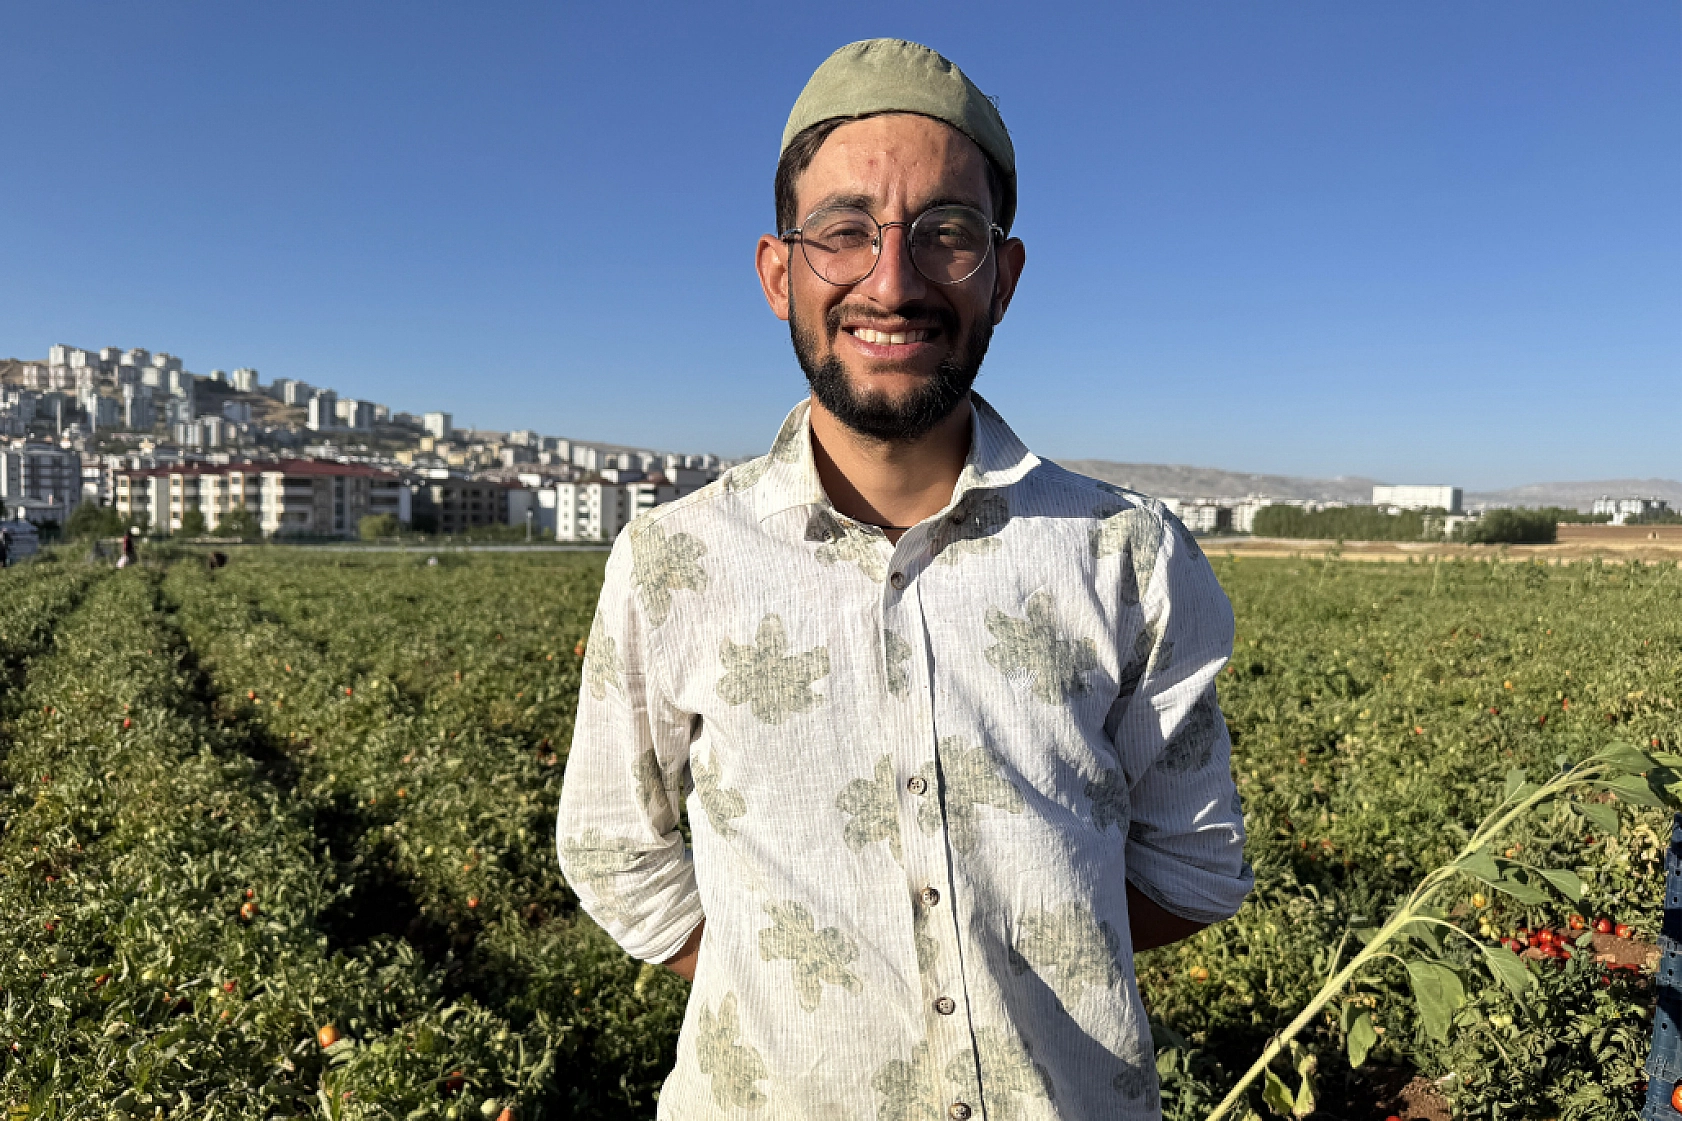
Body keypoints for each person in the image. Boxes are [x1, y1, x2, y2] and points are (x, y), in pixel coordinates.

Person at [556, 39, 1252, 1120]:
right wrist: (798, 979)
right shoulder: (673, 562)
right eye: (842, 231)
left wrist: (1023, 951)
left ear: (1002, 277)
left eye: (947, 234)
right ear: (777, 271)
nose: (891, 279)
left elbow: (1193, 863)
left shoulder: (1125, 556)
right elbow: (613, 849)